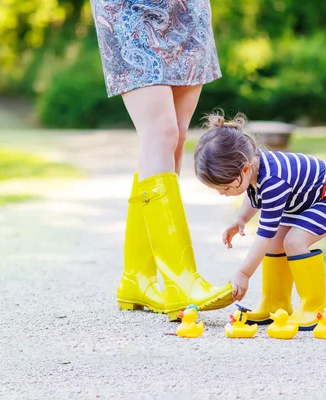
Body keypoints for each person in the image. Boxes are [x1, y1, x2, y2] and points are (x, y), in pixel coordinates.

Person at [90, 0, 233, 321]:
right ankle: (182, 279)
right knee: (161, 133)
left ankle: (137, 278)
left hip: (185, 11)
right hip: (130, 9)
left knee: (176, 140)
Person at [194, 113, 326, 330]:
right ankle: (275, 304)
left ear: (244, 169)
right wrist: (241, 219)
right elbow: (253, 195)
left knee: (293, 242)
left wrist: (243, 273)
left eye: (226, 187)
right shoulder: (254, 167)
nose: (223, 194)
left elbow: (264, 234)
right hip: (304, 202)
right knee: (278, 241)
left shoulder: (273, 180)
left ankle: (314, 307)